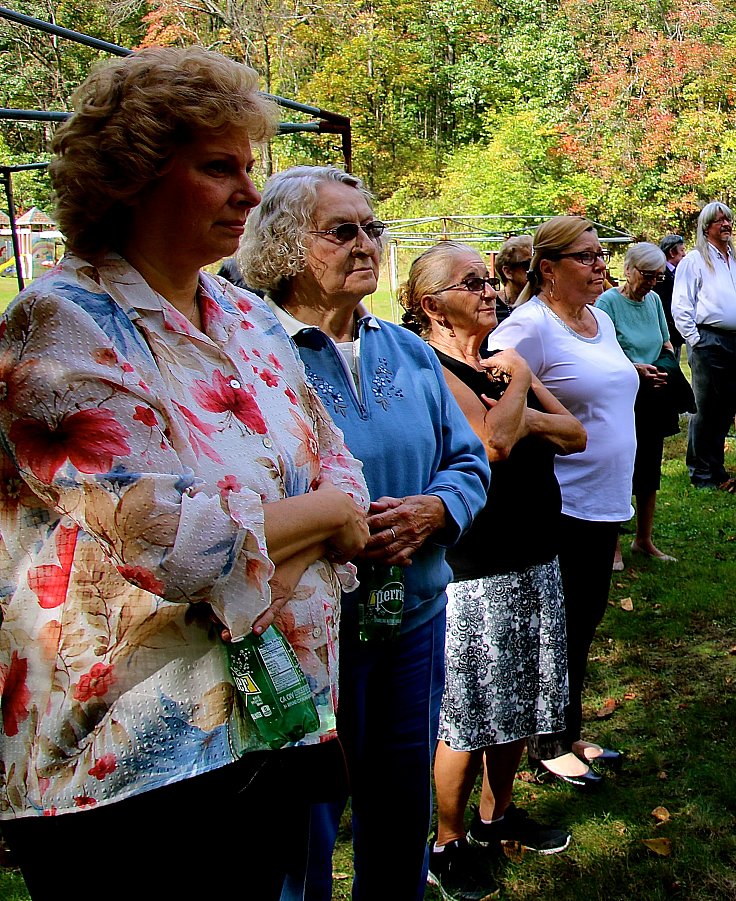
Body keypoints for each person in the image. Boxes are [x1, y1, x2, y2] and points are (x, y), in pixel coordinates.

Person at [0, 47, 370, 901]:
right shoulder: (57, 326)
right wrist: (324, 518)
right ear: (130, 176)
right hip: (125, 765)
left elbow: (334, 455)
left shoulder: (241, 310)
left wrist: (305, 511)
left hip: (270, 726)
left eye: (248, 166)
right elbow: (177, 543)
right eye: (217, 167)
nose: (248, 191)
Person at [239, 166, 491, 901]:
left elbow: (468, 461)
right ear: (286, 247)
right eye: (342, 230)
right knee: (303, 821)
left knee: (401, 796)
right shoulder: (253, 354)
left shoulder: (406, 352)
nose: (365, 244)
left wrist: (436, 511)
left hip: (411, 619)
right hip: (299, 639)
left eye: (371, 228)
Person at [397, 242, 587, 898]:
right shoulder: (429, 367)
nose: (487, 291)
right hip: (474, 568)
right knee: (470, 713)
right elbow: (493, 445)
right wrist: (515, 380)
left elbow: (576, 432)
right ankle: (445, 843)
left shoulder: (502, 364)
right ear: (430, 304)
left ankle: (494, 816)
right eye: (468, 282)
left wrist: (517, 395)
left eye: (487, 279)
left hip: (535, 553)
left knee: (523, 701)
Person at [489, 217, 639, 787]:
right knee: (561, 625)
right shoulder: (528, 328)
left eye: (602, 255)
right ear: (548, 270)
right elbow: (490, 399)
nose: (601, 265)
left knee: (585, 619)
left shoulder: (598, 319)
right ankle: (547, 744)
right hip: (560, 502)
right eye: (587, 257)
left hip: (604, 497)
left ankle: (565, 727)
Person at [596, 242, 681, 564]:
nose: (650, 283)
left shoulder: (655, 300)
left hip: (653, 394)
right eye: (647, 275)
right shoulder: (607, 303)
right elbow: (601, 351)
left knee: (649, 469)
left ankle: (644, 540)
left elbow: (666, 341)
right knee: (620, 469)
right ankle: (613, 544)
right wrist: (634, 370)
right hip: (621, 396)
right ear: (628, 269)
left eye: (657, 277)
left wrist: (661, 368)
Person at [673, 202, 736, 489]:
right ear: (706, 227)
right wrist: (696, 341)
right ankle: (701, 472)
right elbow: (681, 306)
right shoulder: (694, 261)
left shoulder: (735, 261)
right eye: (719, 221)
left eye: (728, 220)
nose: (726, 225)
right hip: (709, 340)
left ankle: (716, 469)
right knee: (705, 409)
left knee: (725, 409)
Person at [657, 233, 687, 348]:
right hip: (667, 334)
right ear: (672, 252)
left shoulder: (680, 273)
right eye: (682, 250)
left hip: (676, 333)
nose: (684, 254)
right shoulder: (661, 275)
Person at [495, 234, 535, 319]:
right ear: (508, 272)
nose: (534, 270)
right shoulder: (490, 306)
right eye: (528, 264)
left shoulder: (541, 302)